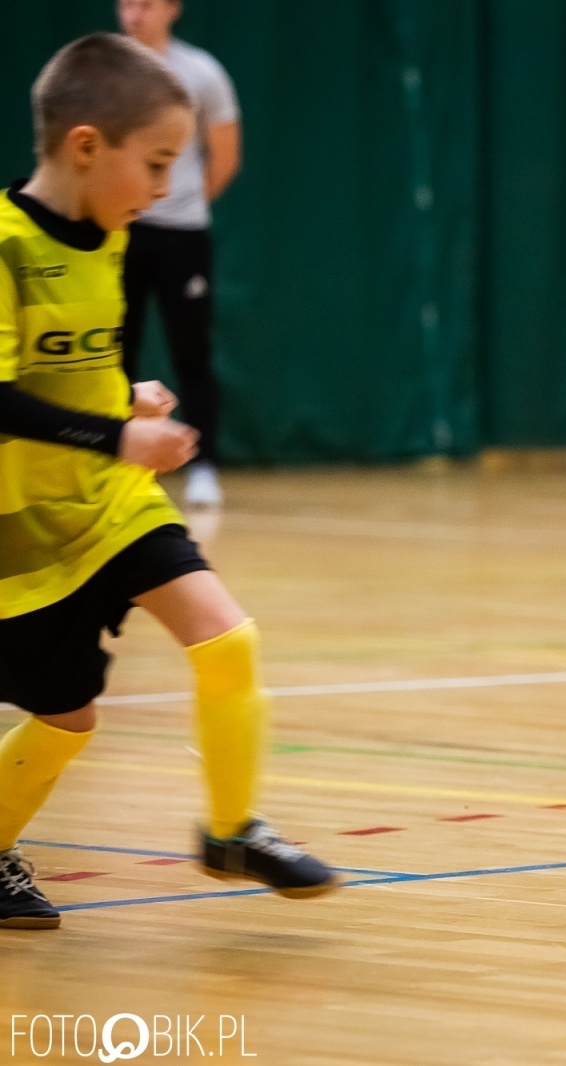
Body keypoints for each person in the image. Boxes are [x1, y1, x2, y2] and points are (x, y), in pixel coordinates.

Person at [0, 34, 334, 930]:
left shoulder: (108, 241)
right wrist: (114, 431)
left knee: (226, 638)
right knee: (68, 720)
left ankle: (231, 830)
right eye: (153, 164)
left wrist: (126, 396)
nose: (162, 188)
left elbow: (68, 366)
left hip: (109, 502)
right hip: (21, 527)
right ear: (83, 146)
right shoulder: (5, 246)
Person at [117, 0, 240, 508]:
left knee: (193, 353)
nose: (133, 14)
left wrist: (179, 203)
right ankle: (114, 458)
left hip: (183, 234)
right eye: (125, 3)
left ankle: (203, 465)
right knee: (112, 350)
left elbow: (225, 156)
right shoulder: (106, 68)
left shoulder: (202, 73)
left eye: (145, 4)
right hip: (119, 233)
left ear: (172, 8)